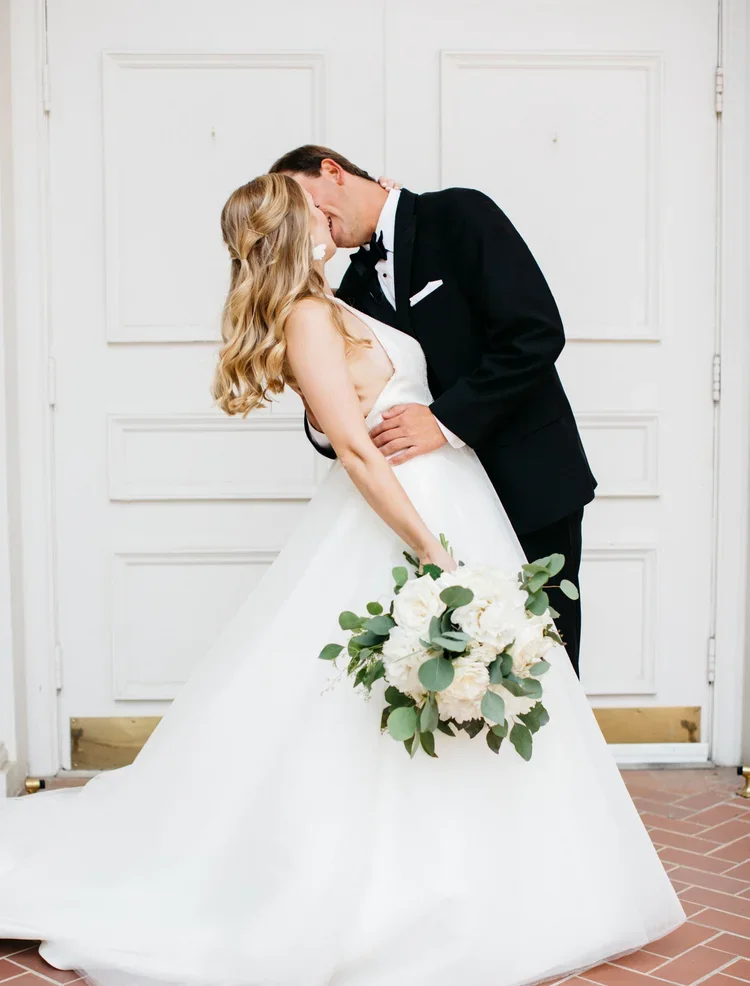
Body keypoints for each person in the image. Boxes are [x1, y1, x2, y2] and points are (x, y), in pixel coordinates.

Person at [0, 173, 682, 986]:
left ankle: (521, 873)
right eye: (308, 213)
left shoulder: (348, 294)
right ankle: (414, 885)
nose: (325, 216)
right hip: (413, 518)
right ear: (296, 226)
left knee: (506, 682)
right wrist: (430, 548)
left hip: (466, 498)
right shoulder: (310, 315)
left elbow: (521, 337)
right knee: (383, 701)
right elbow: (352, 445)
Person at [270, 146, 597, 676]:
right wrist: (323, 416)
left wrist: (444, 421)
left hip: (527, 478)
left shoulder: (460, 215)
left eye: (302, 199)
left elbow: (535, 334)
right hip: (438, 506)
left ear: (331, 171)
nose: (304, 219)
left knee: (545, 655)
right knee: (454, 660)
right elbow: (350, 410)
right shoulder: (349, 289)